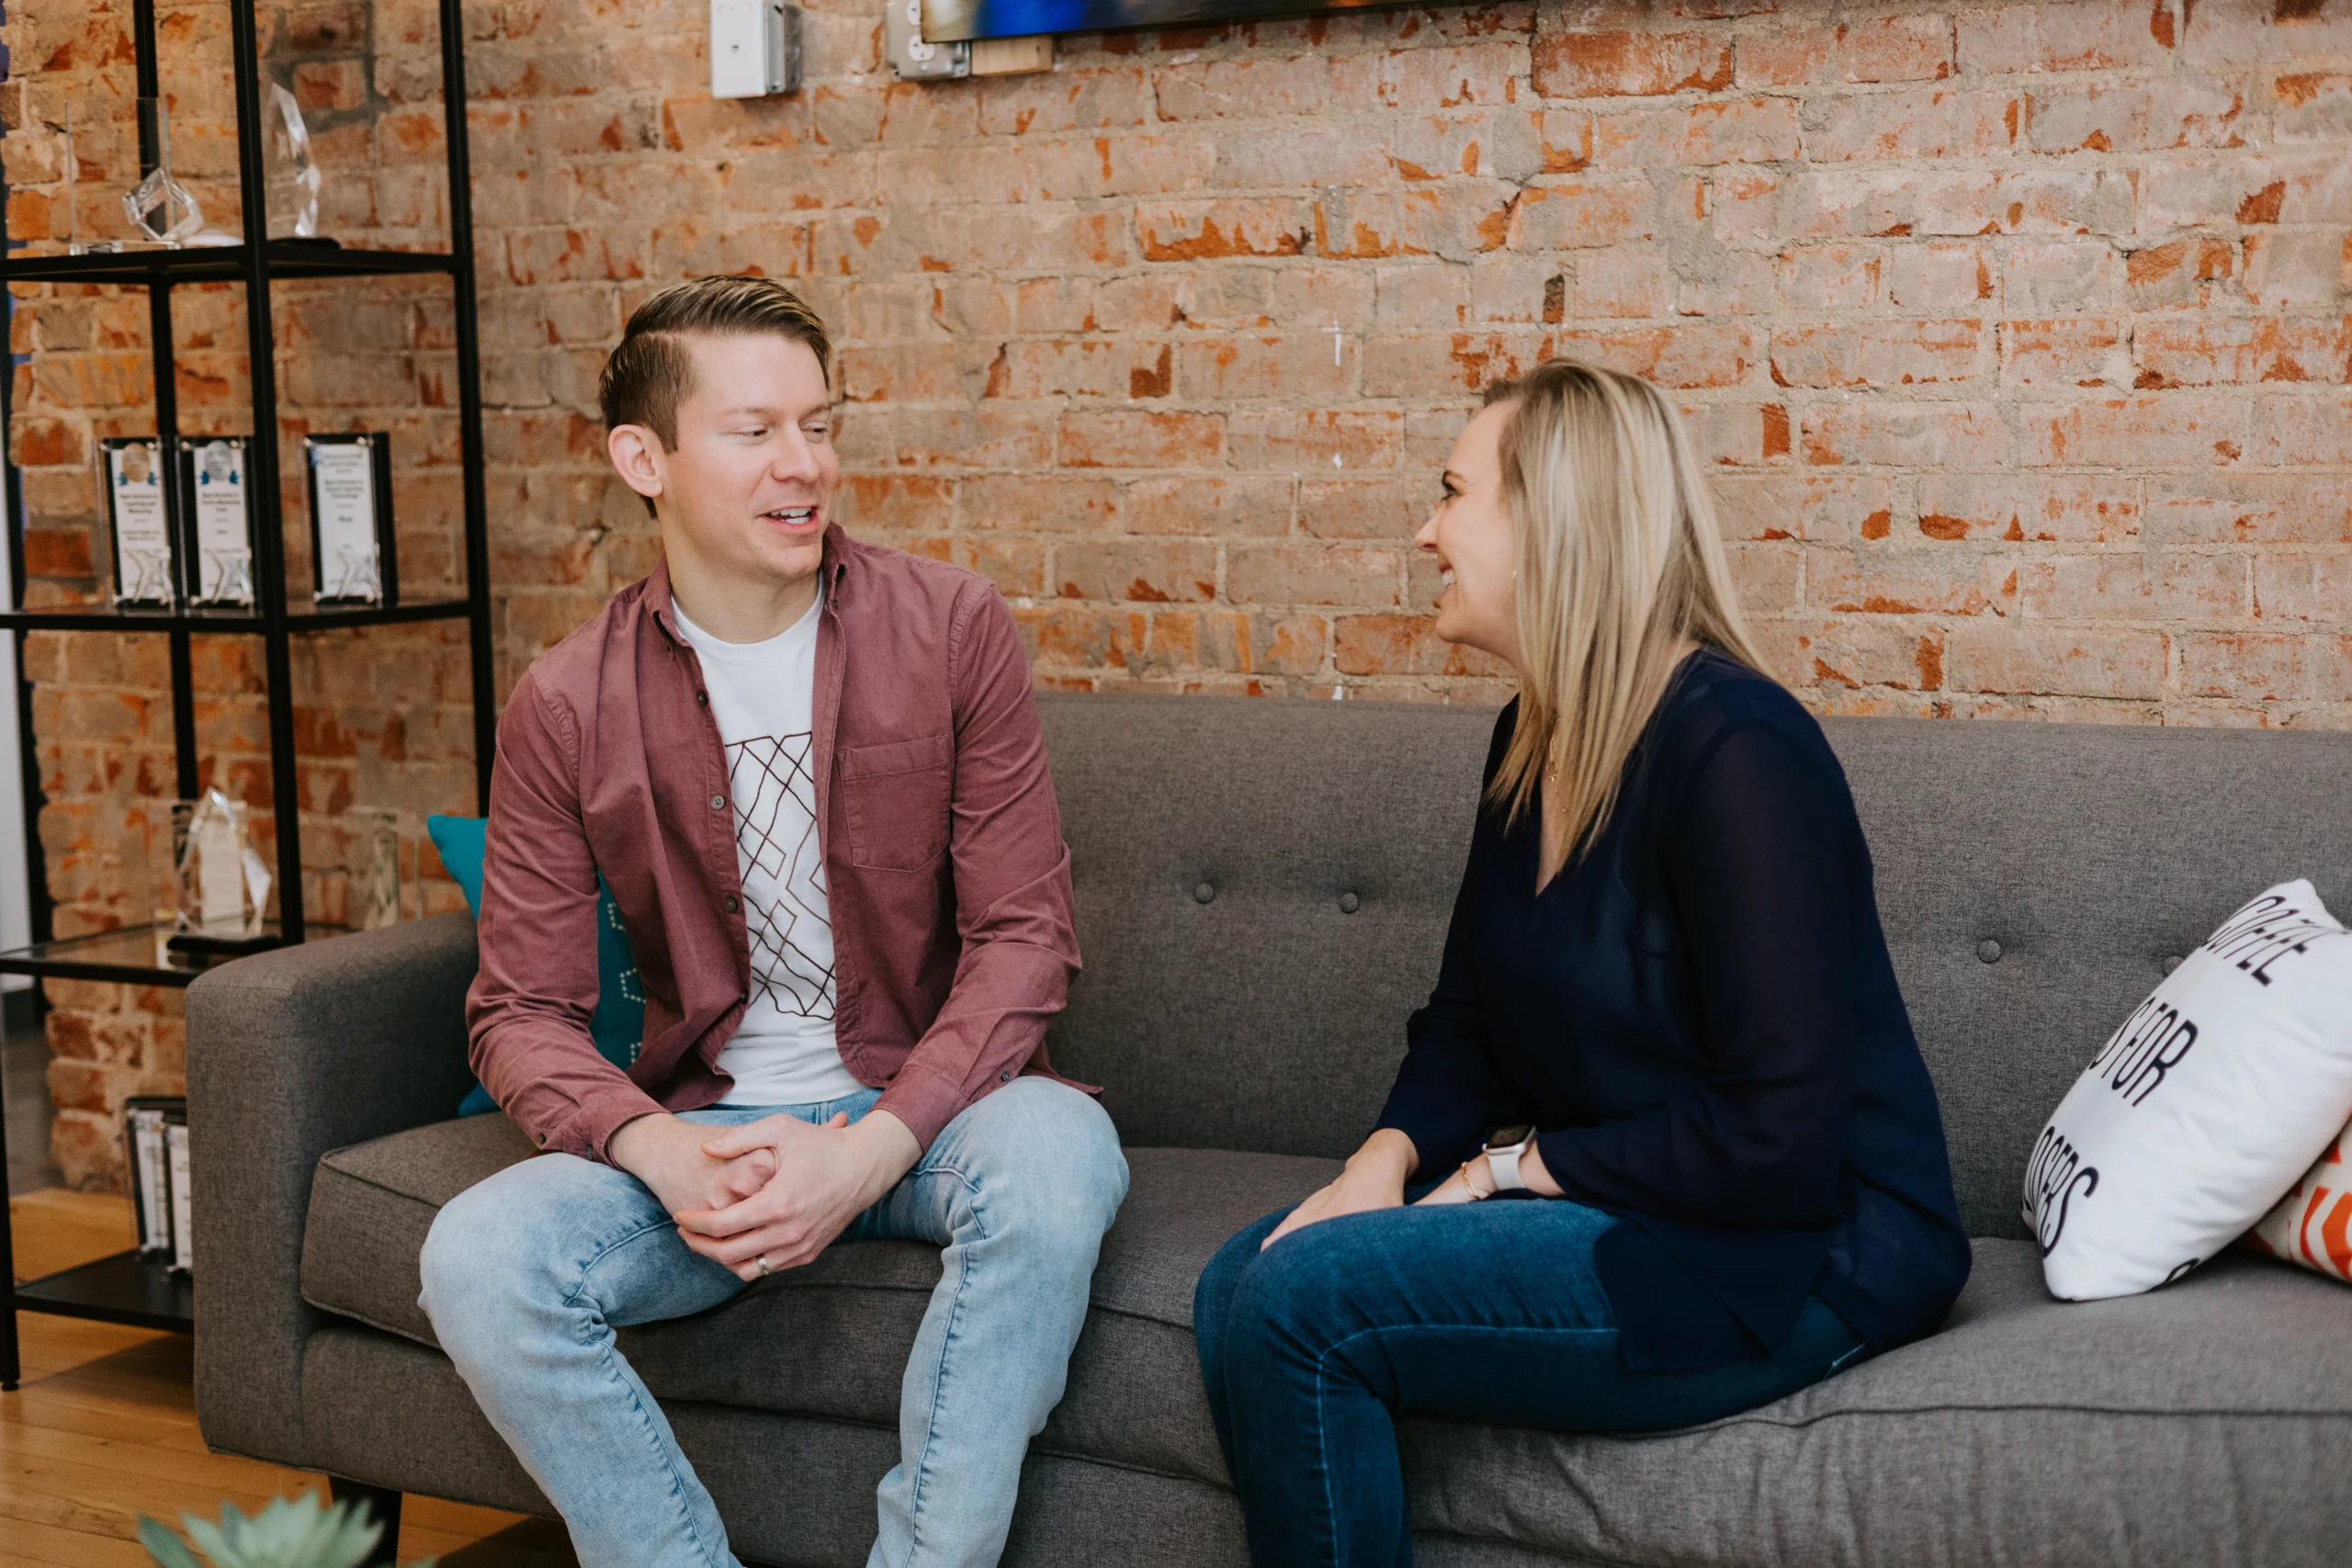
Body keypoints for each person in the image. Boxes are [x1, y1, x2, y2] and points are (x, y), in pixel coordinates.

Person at [1192, 359, 1973, 1568]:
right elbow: (1465, 1022)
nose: (1424, 528)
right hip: (1637, 1196)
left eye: (1452, 494)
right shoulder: (1532, 734)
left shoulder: (1741, 757)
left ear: (1552, 525)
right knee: (1241, 1279)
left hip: (1803, 1246)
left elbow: (1781, 1140)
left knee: (1301, 1306)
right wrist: (1376, 1169)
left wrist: (1508, 1166)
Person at [418, 276, 1127, 1568]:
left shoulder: (952, 629)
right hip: (709, 1141)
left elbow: (1027, 939)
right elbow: (519, 1012)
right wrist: (654, 1148)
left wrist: (867, 1152)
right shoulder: (568, 702)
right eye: (754, 431)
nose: (804, 465)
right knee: (477, 1253)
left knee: (1064, 1150)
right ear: (646, 458)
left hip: (931, 1116)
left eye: (820, 422)